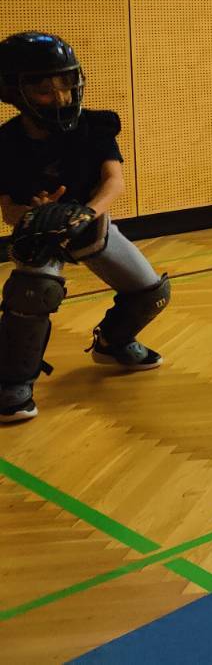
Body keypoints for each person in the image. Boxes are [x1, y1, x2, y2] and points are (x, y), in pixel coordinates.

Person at [0, 33, 171, 422]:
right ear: (14, 92)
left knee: (151, 293)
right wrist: (33, 213)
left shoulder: (95, 126)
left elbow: (114, 182)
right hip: (40, 236)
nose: (61, 97)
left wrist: (83, 214)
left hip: (91, 224)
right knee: (33, 293)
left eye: (66, 84)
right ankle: (12, 382)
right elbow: (8, 210)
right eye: (45, 90)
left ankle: (113, 343)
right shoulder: (6, 143)